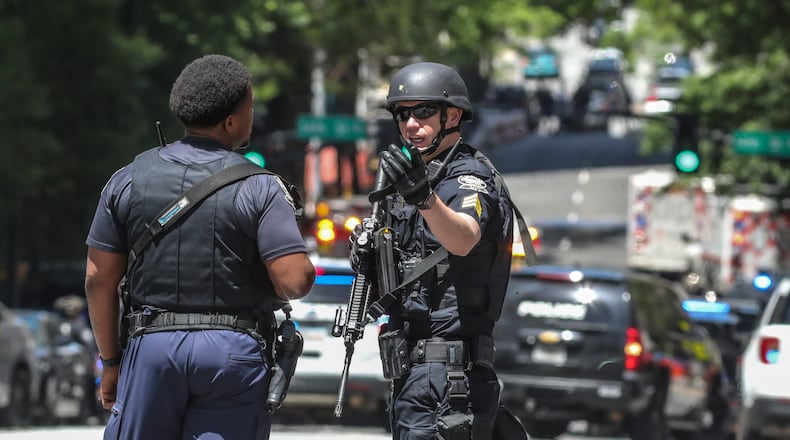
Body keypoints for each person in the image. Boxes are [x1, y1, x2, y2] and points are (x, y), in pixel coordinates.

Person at [84, 54, 315, 440]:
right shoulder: (260, 187)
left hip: (152, 349)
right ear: (231, 122)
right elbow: (295, 281)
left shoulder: (127, 180)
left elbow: (98, 280)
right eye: (250, 108)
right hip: (232, 355)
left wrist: (110, 362)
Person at [372, 61, 519, 439]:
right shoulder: (412, 181)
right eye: (402, 114)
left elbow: (464, 237)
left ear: (452, 116)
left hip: (449, 377)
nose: (410, 124)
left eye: (423, 111)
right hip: (412, 373)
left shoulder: (469, 176)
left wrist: (423, 198)